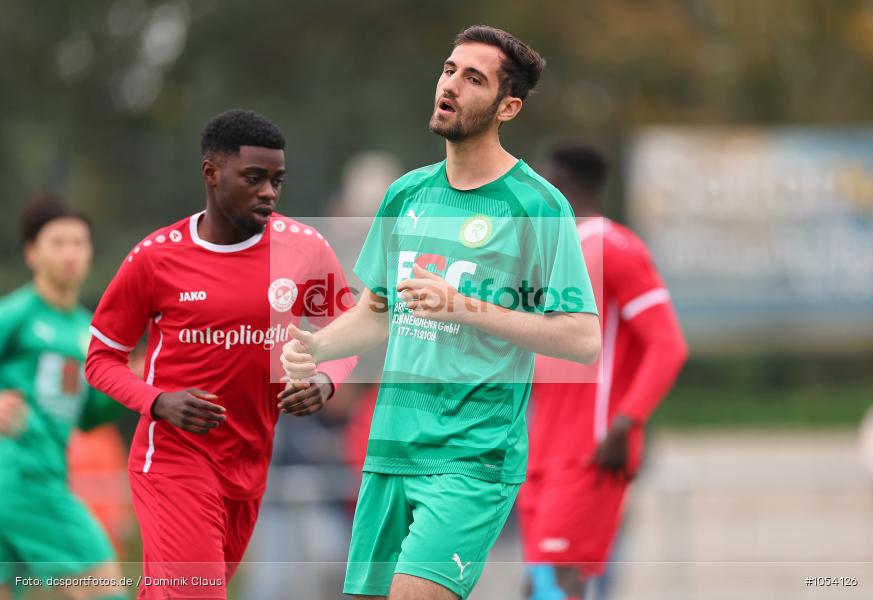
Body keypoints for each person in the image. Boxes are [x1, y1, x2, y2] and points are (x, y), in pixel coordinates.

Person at [281, 26, 601, 600]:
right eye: (449, 70)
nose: (450, 85)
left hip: (470, 460)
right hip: (389, 452)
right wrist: (315, 346)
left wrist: (465, 307)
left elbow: (582, 339)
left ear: (509, 106)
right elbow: (376, 311)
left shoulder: (537, 205)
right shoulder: (406, 194)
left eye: (473, 78)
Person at [85, 109, 357, 599]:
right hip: (173, 461)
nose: (269, 192)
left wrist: (326, 380)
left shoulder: (304, 249)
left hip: (250, 463)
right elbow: (100, 359)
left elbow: (348, 328)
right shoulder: (156, 258)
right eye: (254, 178)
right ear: (211, 172)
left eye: (277, 180)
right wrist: (158, 401)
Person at [518, 142, 688, 599]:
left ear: (567, 187)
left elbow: (668, 345)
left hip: (590, 451)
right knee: (537, 587)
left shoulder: (616, 248)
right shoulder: (552, 257)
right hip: (540, 453)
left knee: (558, 584)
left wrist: (625, 425)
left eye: (544, 183)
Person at [0, 194, 126, 600]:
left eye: (79, 242)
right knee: (106, 584)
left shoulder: (89, 332)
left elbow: (86, 417)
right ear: (33, 253)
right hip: (23, 477)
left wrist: (130, 384)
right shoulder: (16, 314)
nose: (70, 253)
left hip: (45, 476)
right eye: (58, 243)